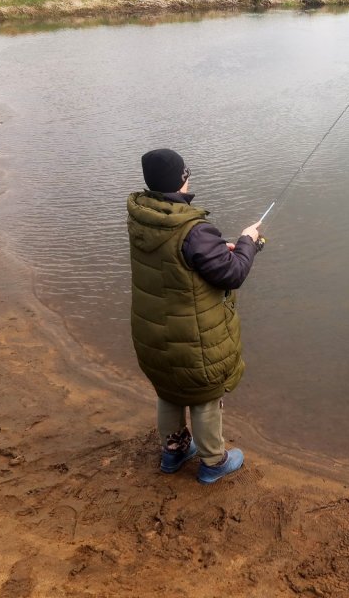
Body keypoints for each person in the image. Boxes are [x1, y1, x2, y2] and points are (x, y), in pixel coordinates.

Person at [127, 148, 263, 484]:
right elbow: (232, 276)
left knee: (169, 389)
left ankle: (173, 452)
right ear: (183, 178)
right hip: (191, 335)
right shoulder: (194, 230)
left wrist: (217, 250)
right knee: (204, 393)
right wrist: (248, 242)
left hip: (152, 332)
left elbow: (180, 258)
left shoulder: (142, 216)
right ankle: (214, 462)